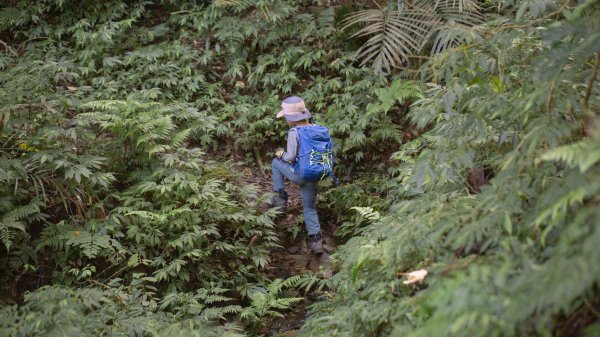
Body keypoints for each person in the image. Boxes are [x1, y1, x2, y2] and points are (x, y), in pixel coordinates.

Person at [271, 96, 324, 255]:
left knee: (276, 163)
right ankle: (316, 243)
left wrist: (281, 154)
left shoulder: (294, 132)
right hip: (315, 173)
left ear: (290, 117)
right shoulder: (318, 128)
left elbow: (290, 157)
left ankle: (280, 199)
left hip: (300, 174)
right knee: (309, 207)